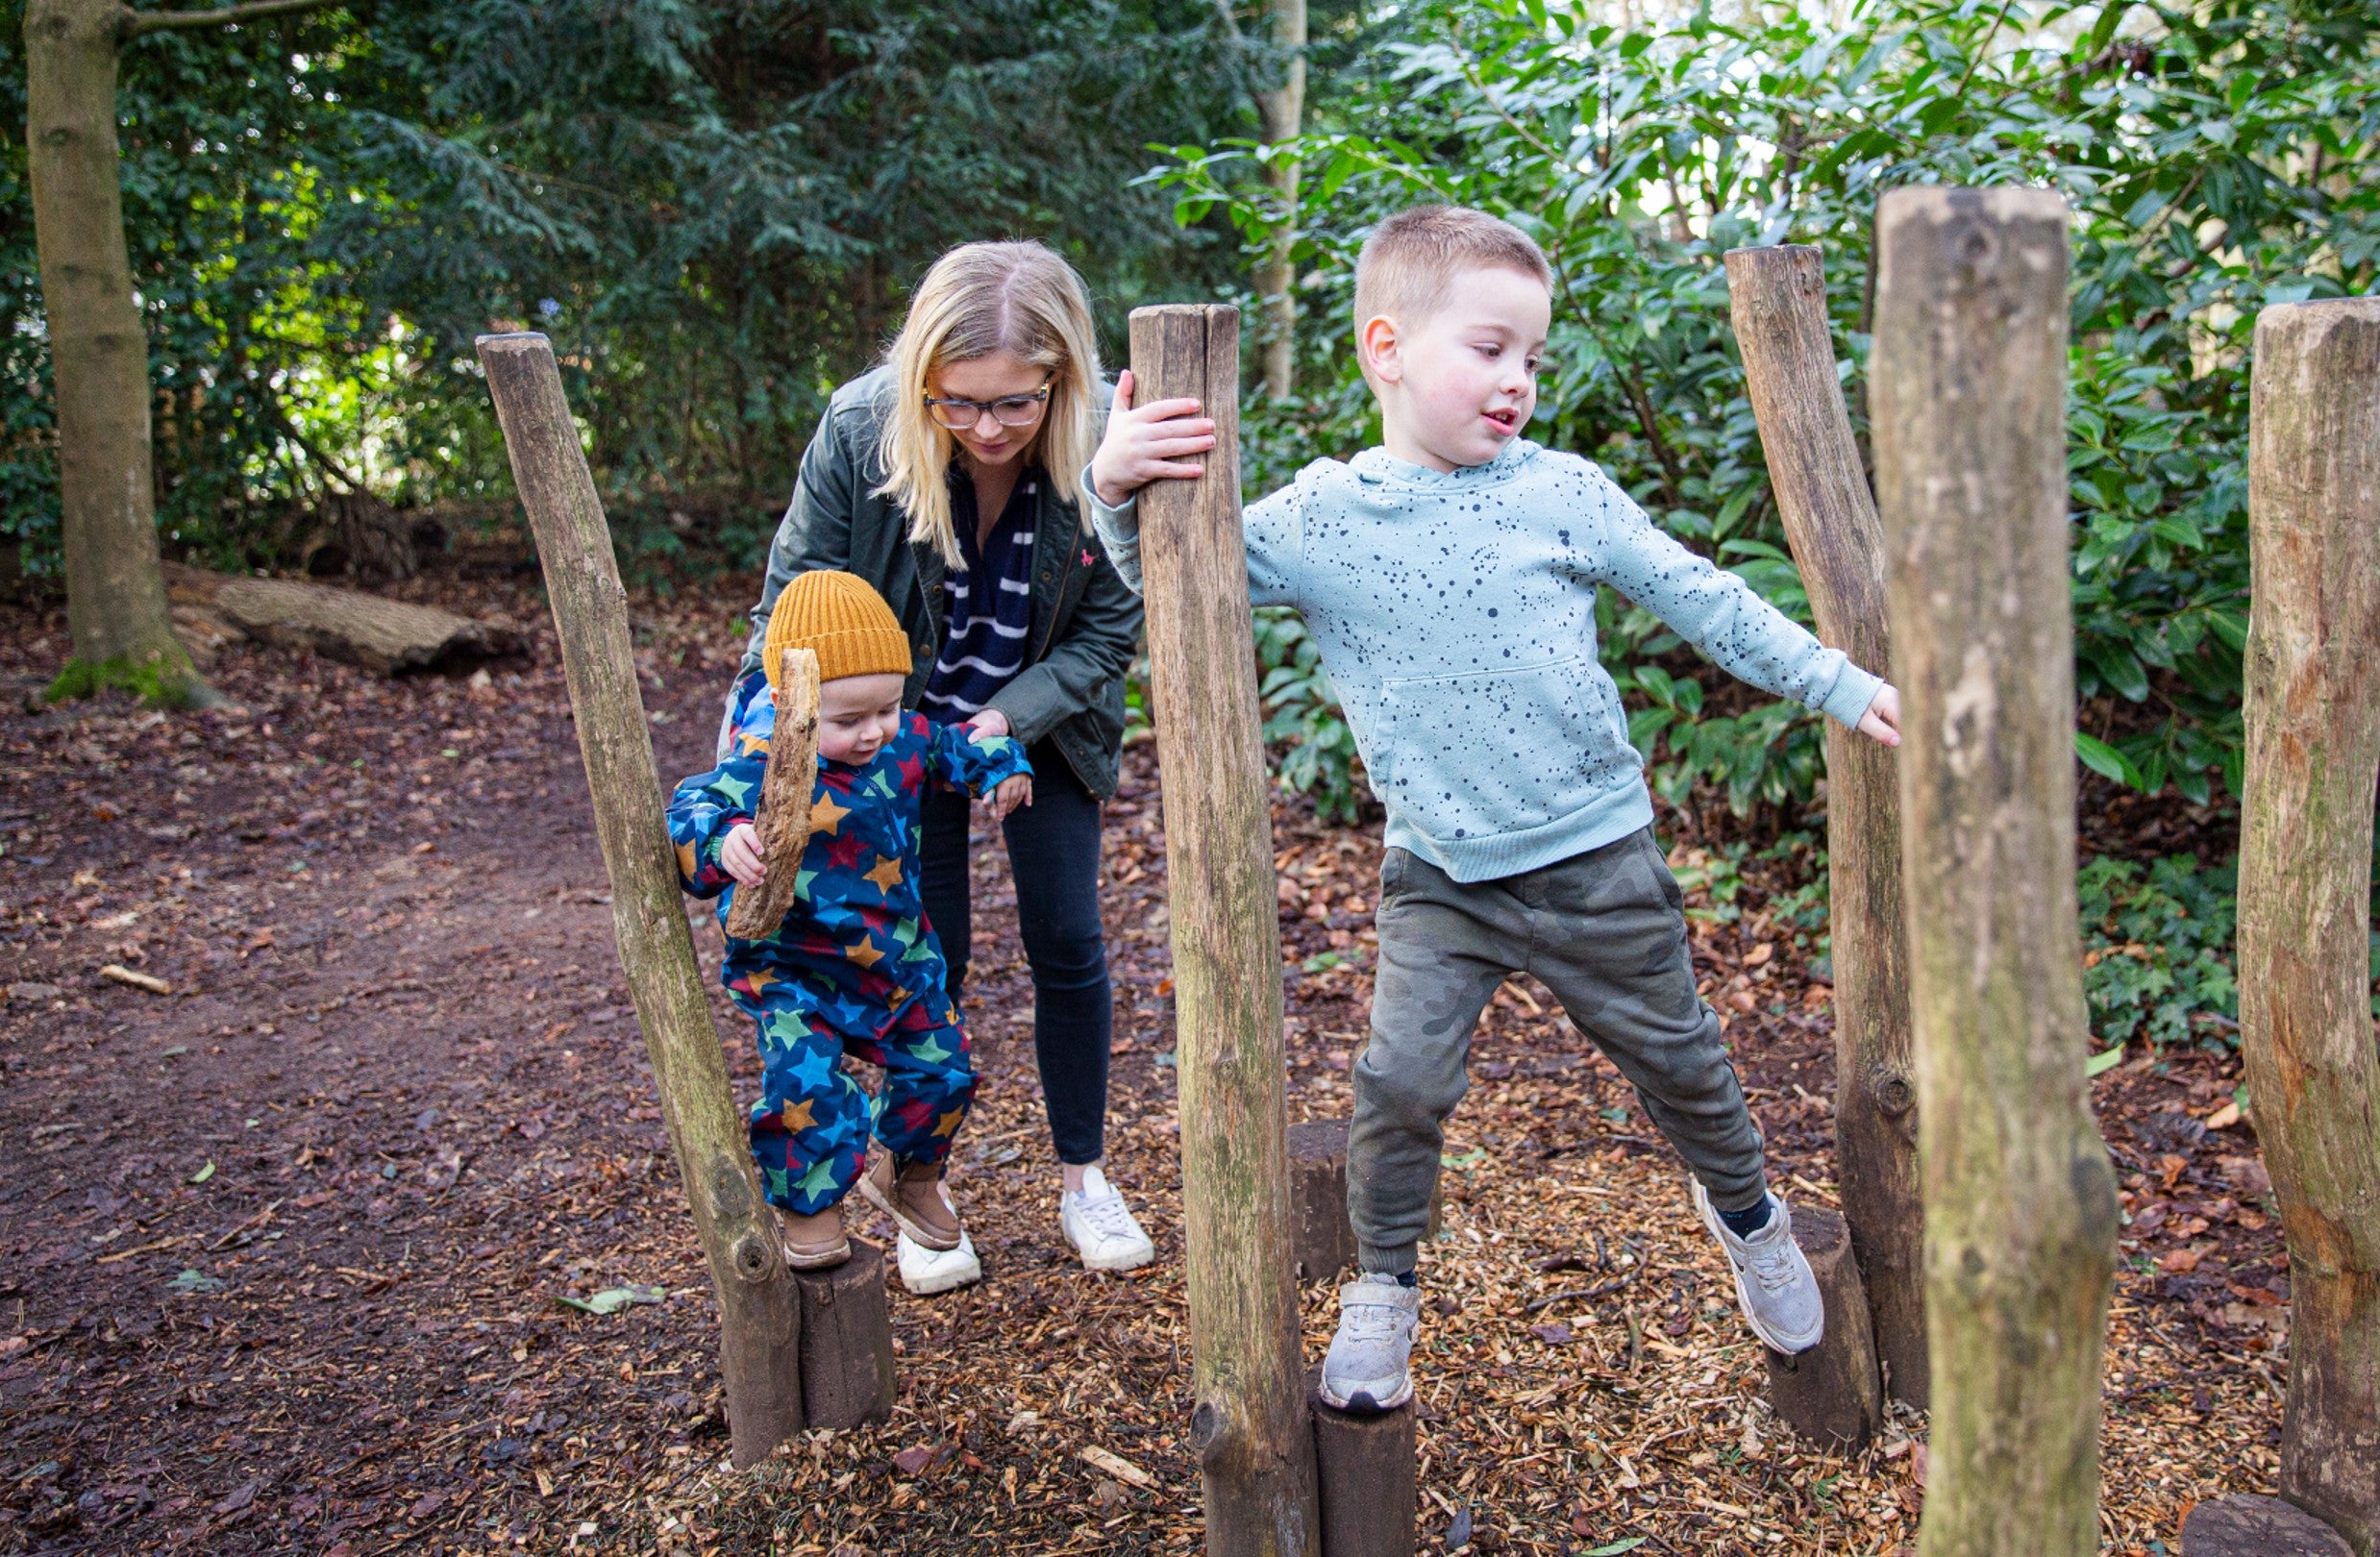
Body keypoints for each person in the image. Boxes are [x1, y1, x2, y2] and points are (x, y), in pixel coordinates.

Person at [1086, 205, 1906, 1412]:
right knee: (1400, 1086)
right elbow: (1170, 570)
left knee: (1685, 1063)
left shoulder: (1561, 493)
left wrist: (1838, 682)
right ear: (1387, 347)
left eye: (1532, 356)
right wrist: (1113, 487)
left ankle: (1748, 1217)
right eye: (1489, 349)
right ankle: (1385, 1285)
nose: (1517, 380)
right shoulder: (1320, 524)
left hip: (1597, 859)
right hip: (1442, 879)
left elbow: (1702, 596)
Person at [727, 240, 1158, 1280]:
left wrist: (1003, 723)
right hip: (890, 731)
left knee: (1068, 937)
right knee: (924, 954)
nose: (986, 428)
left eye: (1017, 404)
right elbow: (788, 612)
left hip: (1037, 722)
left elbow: (1110, 631)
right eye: (958, 403)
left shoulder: (1105, 428)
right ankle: (921, 1180)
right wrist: (753, 779)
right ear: (922, 377)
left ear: (1061, 378)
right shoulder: (861, 427)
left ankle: (1085, 1180)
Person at [671, 571, 1033, 1291]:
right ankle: (811, 1207)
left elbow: (957, 745)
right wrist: (722, 845)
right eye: (846, 720)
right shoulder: (756, 766)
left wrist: (1002, 763)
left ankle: (908, 1170)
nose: (872, 732)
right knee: (805, 1086)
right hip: (794, 970)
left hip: (894, 959)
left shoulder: (898, 744)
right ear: (789, 705)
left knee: (946, 1069)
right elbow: (691, 813)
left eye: (887, 709)